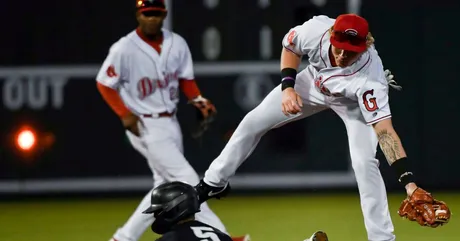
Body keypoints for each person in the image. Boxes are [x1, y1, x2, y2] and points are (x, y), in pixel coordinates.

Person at [193, 14, 445, 241]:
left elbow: (385, 131)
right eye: (341, 47)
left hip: (352, 103)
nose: (344, 55)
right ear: (331, 34)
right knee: (252, 121)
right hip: (312, 83)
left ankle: (382, 238)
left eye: (352, 50)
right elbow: (289, 47)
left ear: (366, 45)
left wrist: (409, 184)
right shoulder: (316, 30)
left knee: (364, 162)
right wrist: (288, 87)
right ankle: (212, 182)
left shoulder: (371, 78)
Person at [95, 1, 248, 240]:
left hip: (170, 122)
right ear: (138, 15)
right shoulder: (123, 48)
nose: (152, 18)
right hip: (144, 124)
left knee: (162, 186)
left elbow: (186, 79)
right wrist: (123, 112)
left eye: (156, 14)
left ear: (164, 15)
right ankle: (221, 236)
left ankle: (122, 238)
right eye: (147, 14)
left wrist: (198, 100)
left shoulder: (177, 43)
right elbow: (104, 82)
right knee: (189, 182)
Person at [143, 181, 328, 241]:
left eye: (159, 211)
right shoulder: (217, 234)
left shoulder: (170, 239)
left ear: (173, 209)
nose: (156, 216)